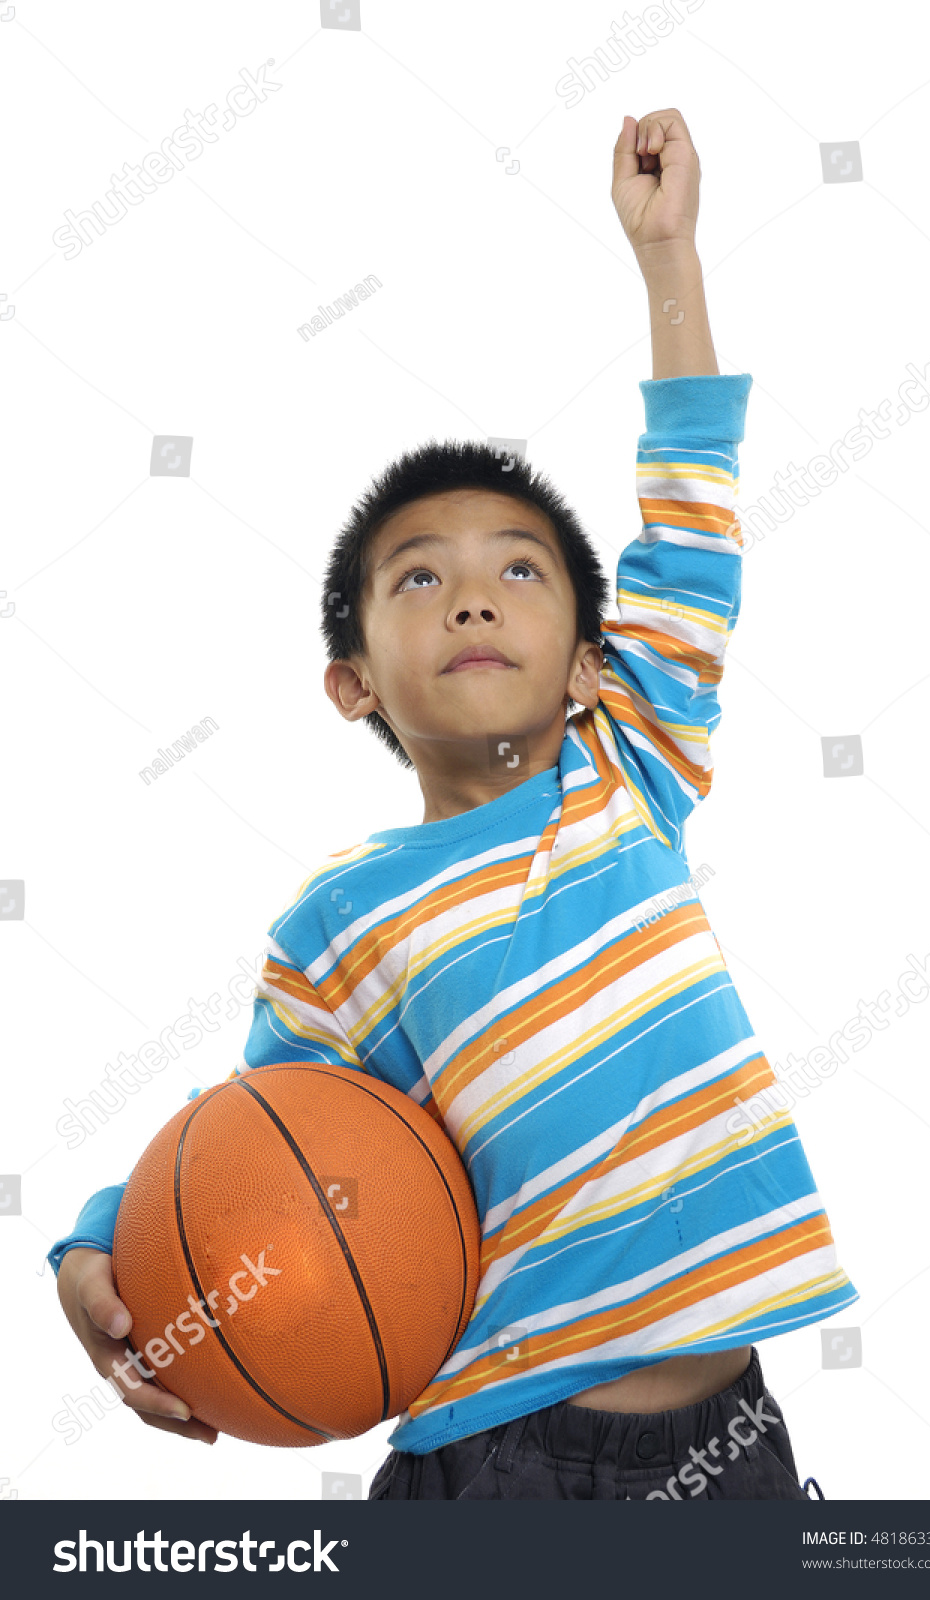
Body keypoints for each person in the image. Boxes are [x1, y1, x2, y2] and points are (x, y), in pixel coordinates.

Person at [50, 108, 856, 1500]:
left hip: (736, 1440)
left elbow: (694, 519)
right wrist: (101, 1249)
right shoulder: (344, 917)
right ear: (353, 683)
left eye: (520, 572)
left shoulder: (628, 769)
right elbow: (254, 1127)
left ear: (598, 667)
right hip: (503, 1462)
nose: (472, 591)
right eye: (418, 577)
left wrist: (669, 257)